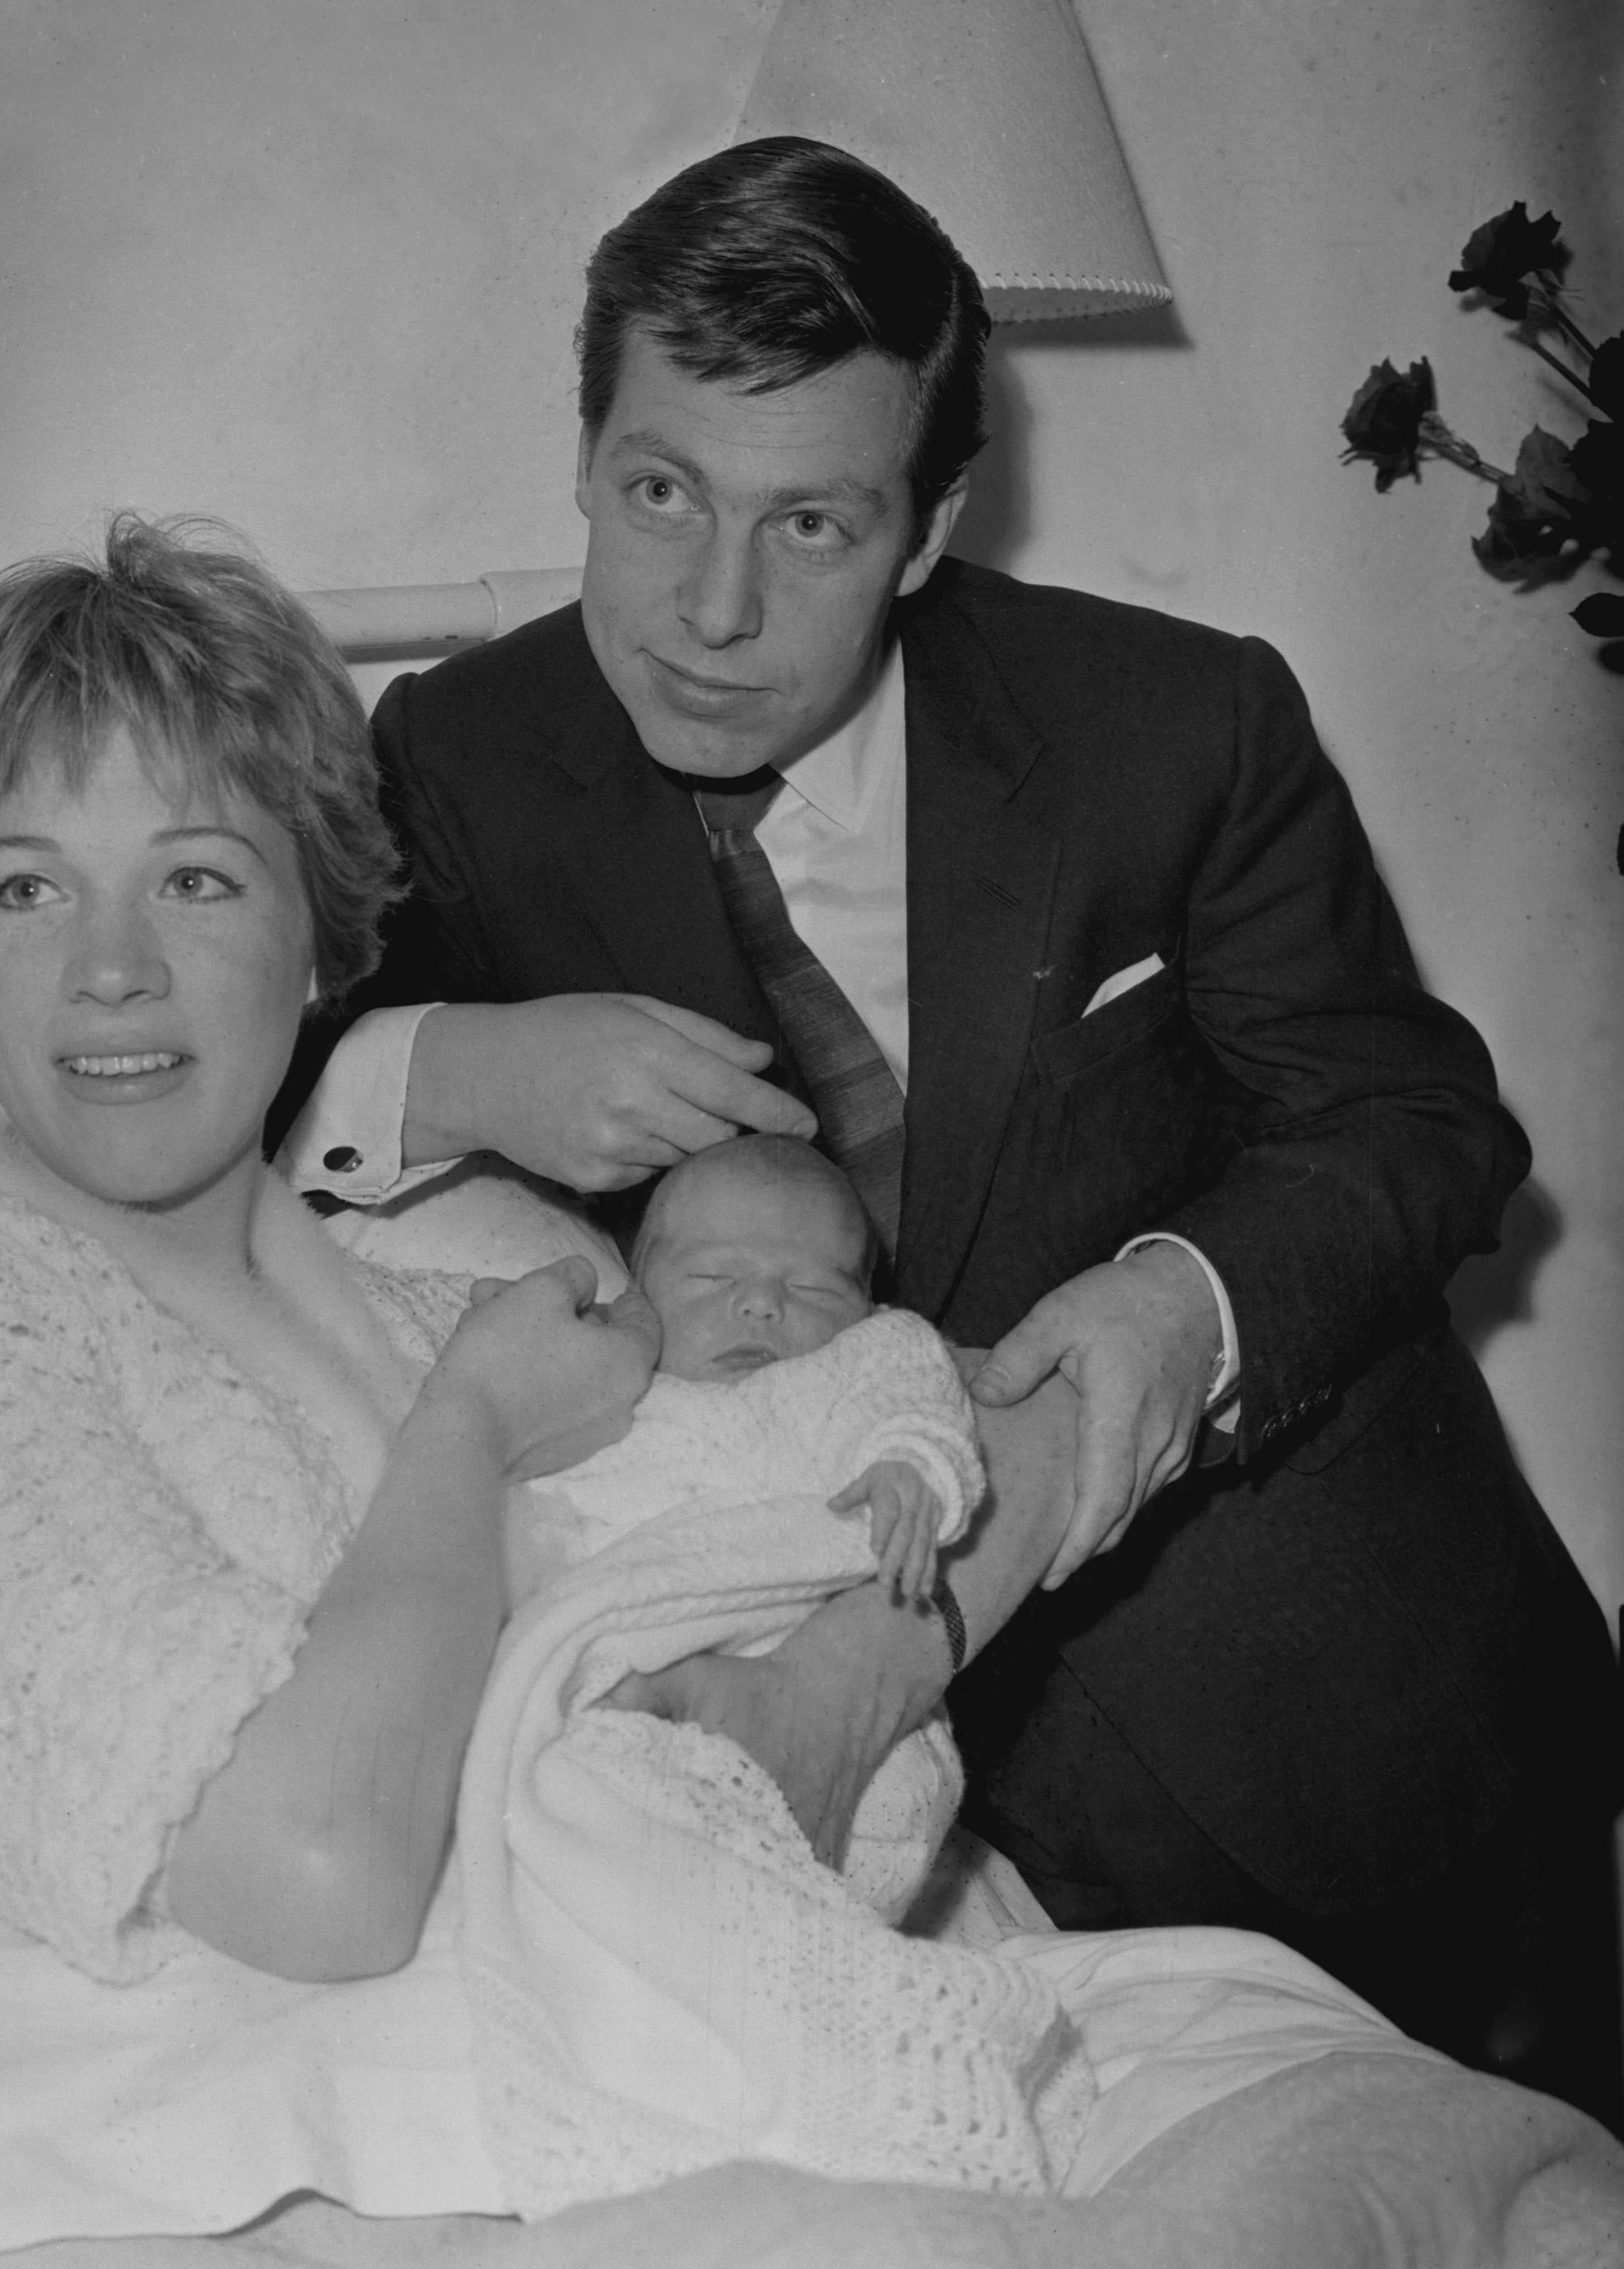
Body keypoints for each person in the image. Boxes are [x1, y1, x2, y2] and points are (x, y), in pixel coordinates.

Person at [274, 136, 1623, 2122]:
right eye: (657, 495)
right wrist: (461, 1069)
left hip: (1335, 1726)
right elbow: (237, 1061)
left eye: (808, 525)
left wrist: (1180, 1310)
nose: (707, 609)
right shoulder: (464, 760)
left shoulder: (1176, 723)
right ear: (581, 456)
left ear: (926, 526)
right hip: (844, 1843)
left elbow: (1414, 1120)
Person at [0, 518, 661, 1989]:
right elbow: (318, 1876)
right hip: (30, 2133)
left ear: (324, 938)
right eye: (27, 886)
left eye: (196, 880)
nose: (108, 968)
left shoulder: (469, 1328)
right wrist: (469, 1435)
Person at [509, 1132, 982, 1922]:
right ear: (635, 1295)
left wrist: (910, 1465)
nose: (762, 1304)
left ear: (868, 1311)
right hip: (625, 1665)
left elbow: (917, 1392)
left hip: (821, 1696)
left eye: (816, 1291)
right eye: (712, 1277)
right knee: (563, 1775)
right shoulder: (607, 1381)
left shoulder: (852, 1370)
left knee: (883, 1804)